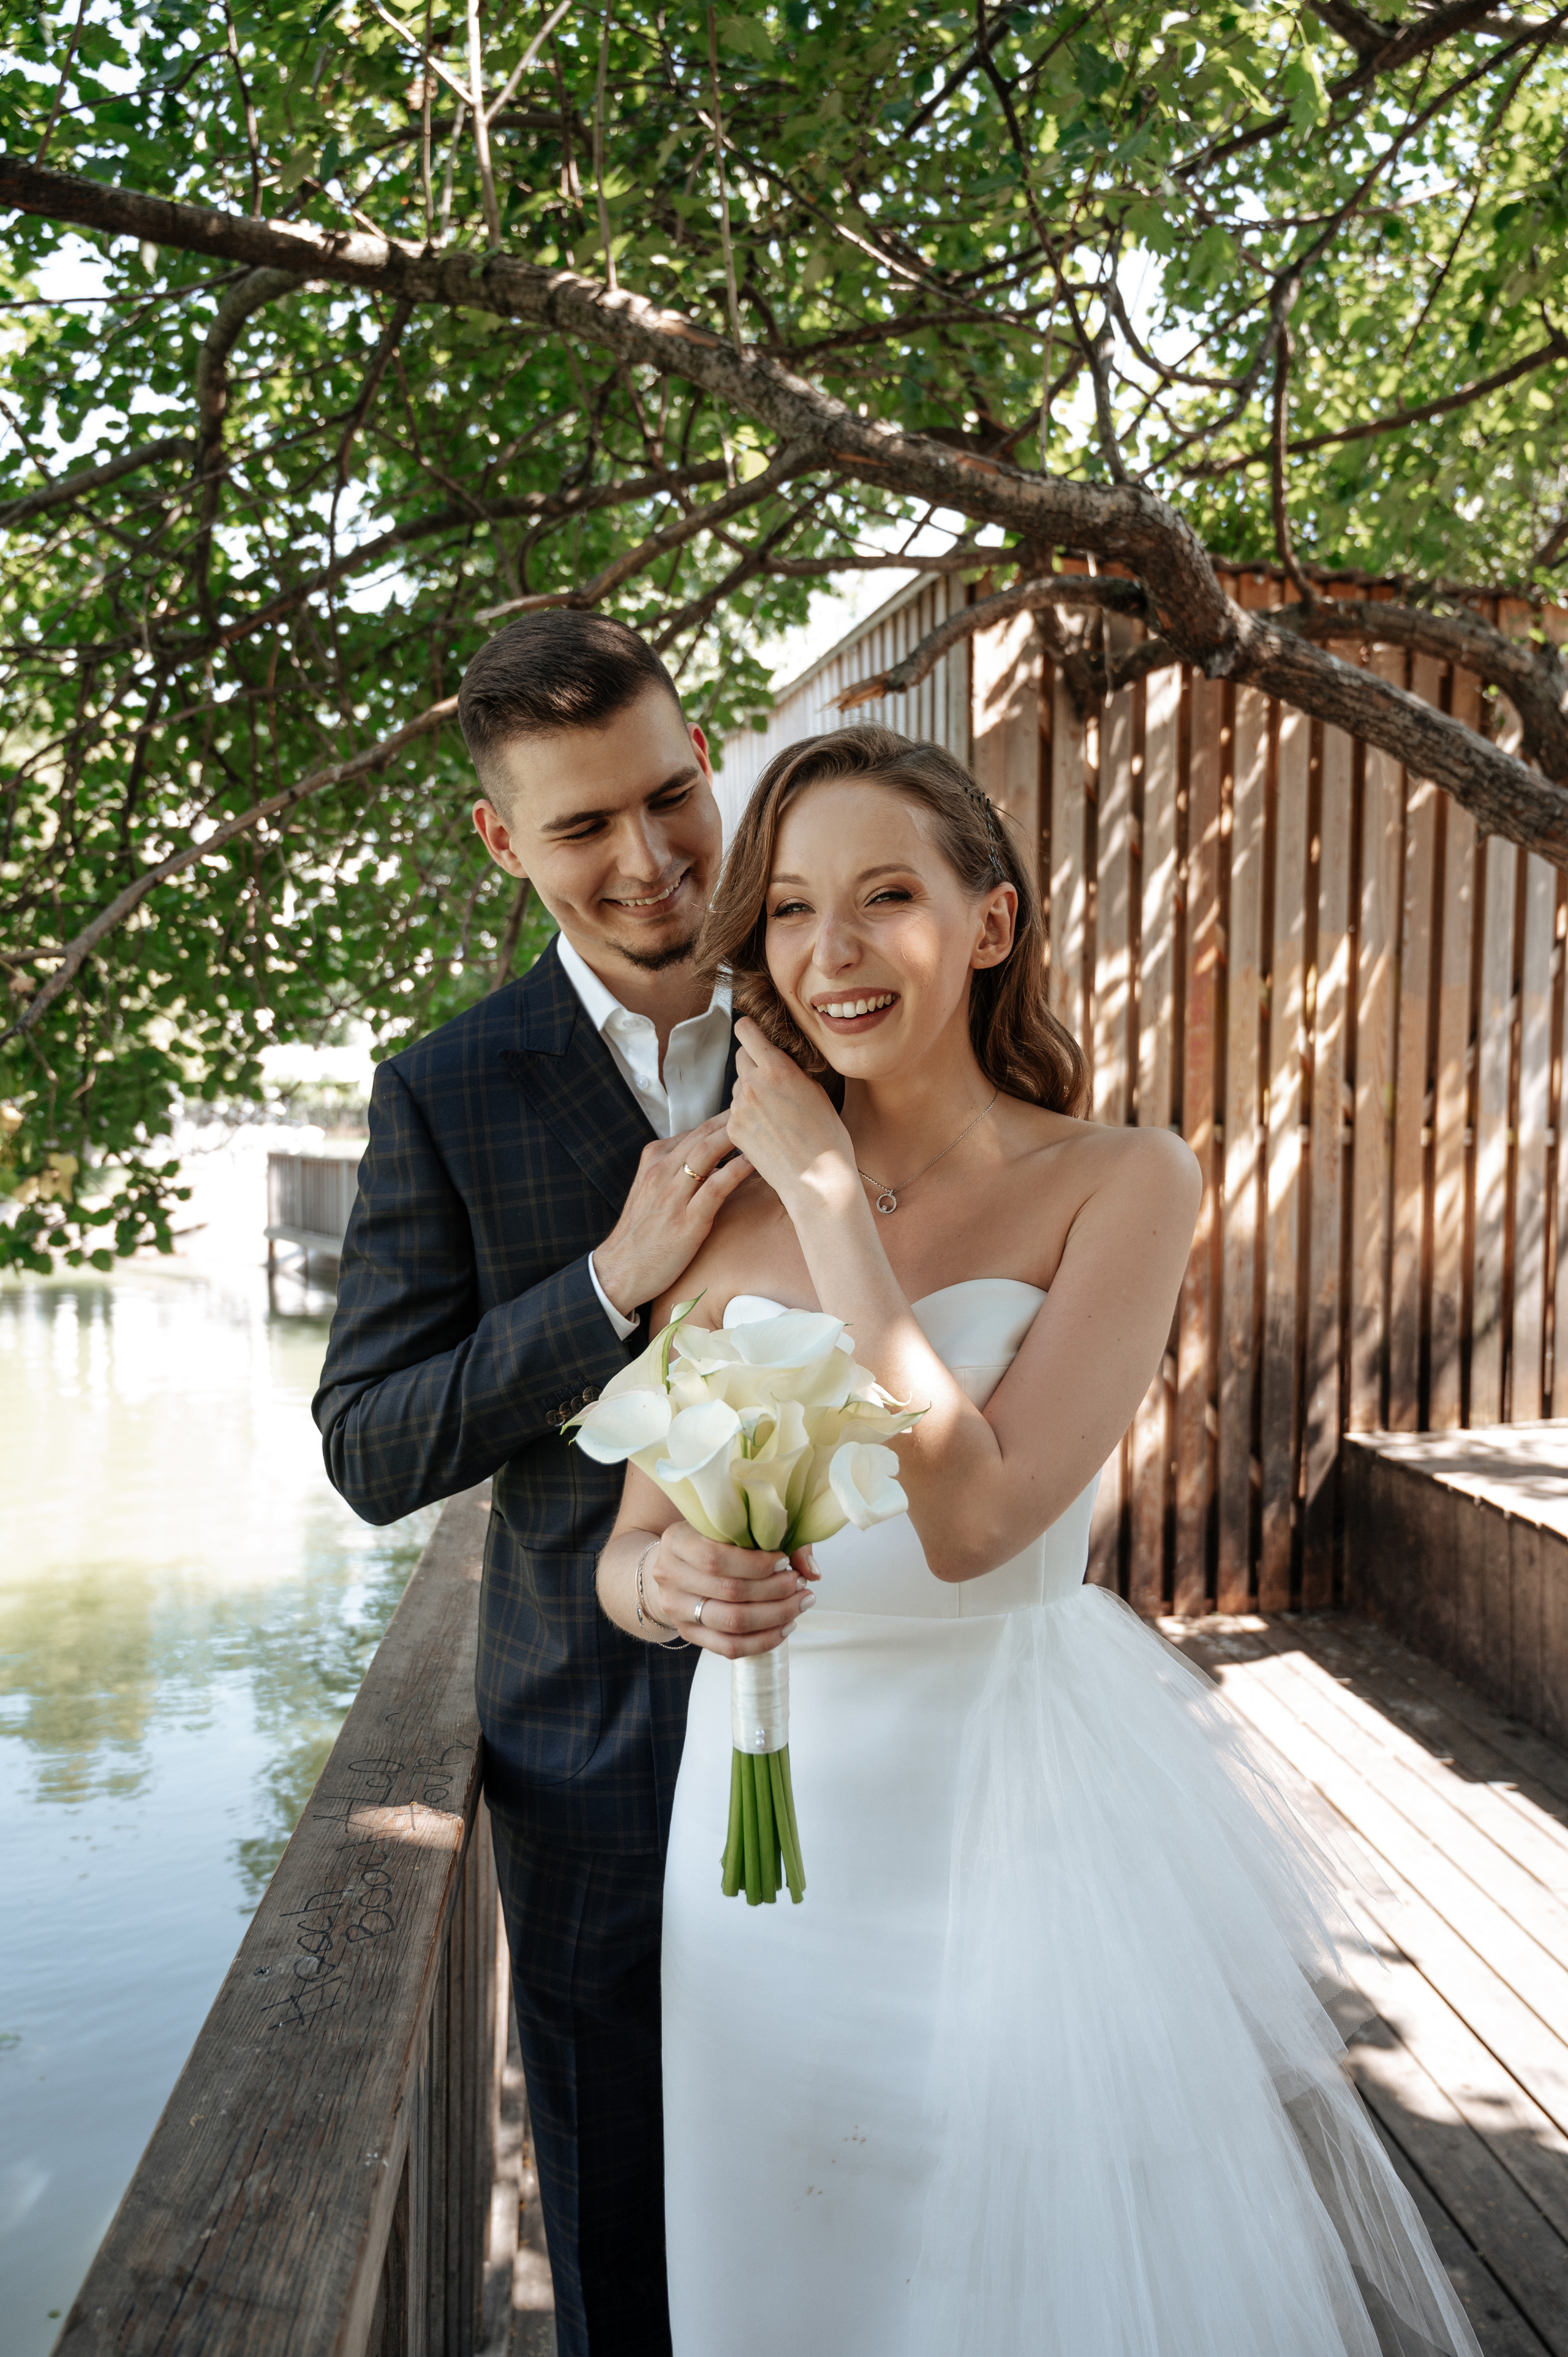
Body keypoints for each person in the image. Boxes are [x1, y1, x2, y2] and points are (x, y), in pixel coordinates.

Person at [594, 725, 1482, 2357]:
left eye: (886, 896)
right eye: (789, 909)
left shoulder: (1122, 1180)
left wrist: (836, 1212)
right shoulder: (715, 1211)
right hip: (762, 1851)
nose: (832, 951)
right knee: (779, 2269)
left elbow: (982, 1526)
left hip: (1005, 1820)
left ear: (989, 920)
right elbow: (627, 1545)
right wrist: (670, 1584)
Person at [312, 613, 797, 2357]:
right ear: (501, 840)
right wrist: (602, 1287)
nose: (649, 857)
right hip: (589, 1743)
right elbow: (371, 1445)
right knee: (617, 2215)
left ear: (708, 760)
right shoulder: (442, 1091)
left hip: (868, 1703)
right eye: (584, 824)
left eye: (669, 797)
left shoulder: (843, 1009)